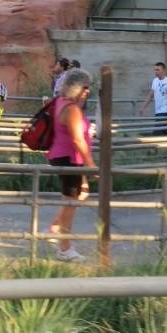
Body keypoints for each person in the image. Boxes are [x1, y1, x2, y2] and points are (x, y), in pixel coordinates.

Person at [45, 69, 96, 262]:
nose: (87, 91)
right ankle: (64, 248)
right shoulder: (72, 109)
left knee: (80, 194)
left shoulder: (62, 102)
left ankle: (55, 228)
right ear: (76, 88)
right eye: (85, 87)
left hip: (67, 157)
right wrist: (91, 165)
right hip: (69, 158)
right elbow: (77, 139)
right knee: (71, 202)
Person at [138, 62, 167, 135]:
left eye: (158, 70)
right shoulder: (155, 81)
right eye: (155, 70)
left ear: (164, 70)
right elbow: (151, 95)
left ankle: (153, 144)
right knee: (164, 130)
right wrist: (143, 107)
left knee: (157, 131)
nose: (156, 72)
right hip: (158, 110)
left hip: (164, 110)